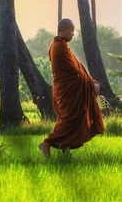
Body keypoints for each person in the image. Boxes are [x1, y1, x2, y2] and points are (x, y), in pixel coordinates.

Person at [38, 18, 105, 158]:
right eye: (72, 31)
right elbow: (74, 72)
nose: (73, 34)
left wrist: (90, 81)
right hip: (67, 91)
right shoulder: (59, 47)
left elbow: (77, 70)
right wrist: (92, 84)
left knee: (72, 119)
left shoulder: (61, 45)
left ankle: (65, 149)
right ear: (64, 30)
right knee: (69, 120)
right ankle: (47, 143)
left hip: (68, 90)